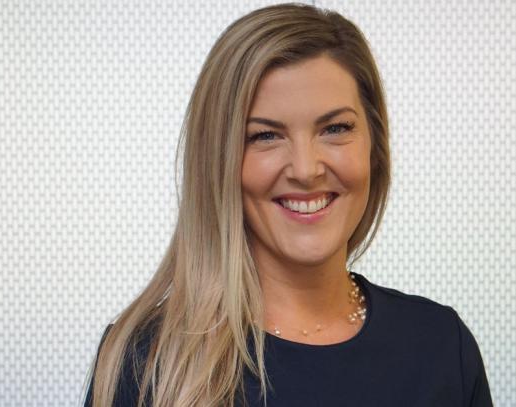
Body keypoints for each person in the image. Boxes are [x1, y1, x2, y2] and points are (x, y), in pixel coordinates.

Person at [83, 3, 493, 406]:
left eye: (335, 128)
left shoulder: (441, 346)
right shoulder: (143, 362)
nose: (306, 169)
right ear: (218, 161)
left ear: (375, 147)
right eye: (265, 136)